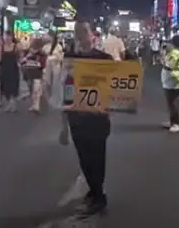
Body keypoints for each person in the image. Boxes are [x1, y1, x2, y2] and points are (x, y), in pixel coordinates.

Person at [60, 19, 112, 216]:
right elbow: (65, 90)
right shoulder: (70, 58)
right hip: (76, 117)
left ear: (93, 35)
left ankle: (99, 197)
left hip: (97, 118)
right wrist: (63, 124)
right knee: (83, 158)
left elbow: (114, 87)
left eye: (85, 32)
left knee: (97, 158)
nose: (82, 37)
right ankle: (94, 191)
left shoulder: (104, 59)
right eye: (78, 33)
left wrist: (108, 107)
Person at [161, 35, 179, 133]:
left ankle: (177, 123)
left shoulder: (175, 53)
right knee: (171, 103)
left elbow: (169, 66)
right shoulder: (174, 52)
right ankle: (172, 122)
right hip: (171, 81)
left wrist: (163, 57)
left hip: (175, 82)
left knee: (174, 103)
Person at [0, 31, 21, 112]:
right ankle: (9, 103)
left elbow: (20, 57)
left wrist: (22, 63)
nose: (7, 38)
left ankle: (13, 103)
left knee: (13, 86)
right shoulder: (2, 47)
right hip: (4, 69)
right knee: (5, 86)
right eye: (5, 36)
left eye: (9, 36)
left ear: (12, 37)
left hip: (13, 68)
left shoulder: (16, 46)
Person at [21, 38, 46, 113]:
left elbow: (43, 63)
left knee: (36, 88)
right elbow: (22, 61)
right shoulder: (27, 52)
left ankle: (36, 106)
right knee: (32, 89)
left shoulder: (41, 53)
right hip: (29, 72)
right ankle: (33, 104)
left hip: (37, 72)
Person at [43, 31, 64, 107]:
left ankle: (56, 100)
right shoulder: (46, 46)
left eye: (47, 36)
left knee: (56, 84)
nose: (46, 37)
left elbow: (60, 57)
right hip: (47, 68)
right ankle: (49, 99)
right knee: (47, 83)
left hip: (56, 67)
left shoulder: (58, 46)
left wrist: (50, 58)